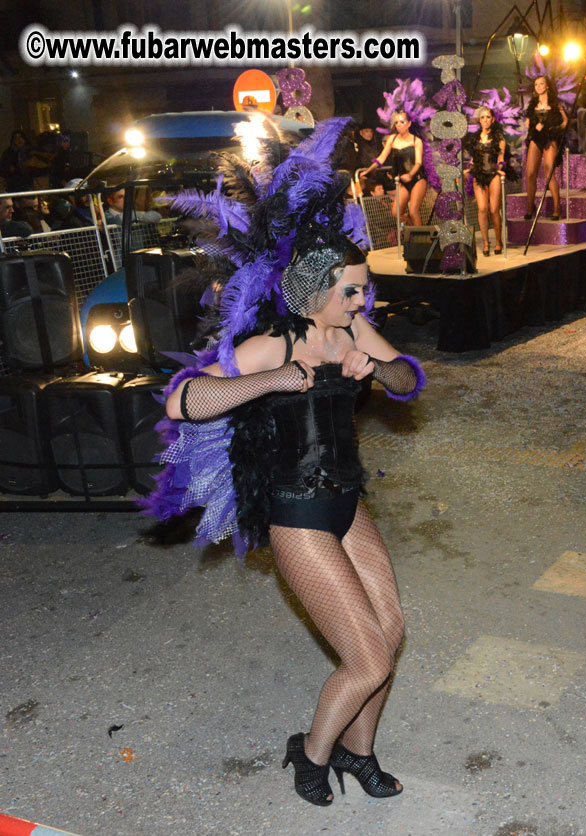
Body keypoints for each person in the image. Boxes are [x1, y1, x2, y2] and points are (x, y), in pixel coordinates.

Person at [141, 118, 424, 808]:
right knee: (368, 658)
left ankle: (359, 753)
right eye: (352, 291)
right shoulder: (275, 342)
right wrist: (273, 379)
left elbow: (410, 382)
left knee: (389, 633)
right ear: (311, 289)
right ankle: (312, 751)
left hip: (347, 501)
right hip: (295, 509)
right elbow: (182, 400)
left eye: (365, 291)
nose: (365, 302)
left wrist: (375, 366)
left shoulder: (353, 326)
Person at [362, 110, 428, 225]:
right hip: (403, 181)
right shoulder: (392, 139)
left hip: (417, 179)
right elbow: (381, 158)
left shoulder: (416, 141)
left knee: (413, 212)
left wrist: (410, 175)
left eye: (402, 122)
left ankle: (421, 241)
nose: (398, 125)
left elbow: (418, 163)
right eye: (396, 122)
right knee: (396, 213)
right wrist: (368, 170)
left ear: (409, 124)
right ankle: (412, 230)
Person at [464, 107, 512, 256]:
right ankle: (486, 242)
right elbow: (473, 159)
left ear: (493, 119)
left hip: (494, 175)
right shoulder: (475, 138)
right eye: (483, 117)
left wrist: (500, 168)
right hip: (479, 175)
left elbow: (501, 158)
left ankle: (498, 241)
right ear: (480, 120)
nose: (485, 120)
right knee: (482, 208)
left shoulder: (499, 138)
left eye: (488, 117)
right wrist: (468, 169)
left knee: (493, 209)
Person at [523, 76, 568, 221]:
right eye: (536, 84)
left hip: (550, 138)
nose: (538, 86)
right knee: (530, 173)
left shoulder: (556, 104)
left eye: (541, 83)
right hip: (536, 138)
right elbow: (527, 122)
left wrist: (552, 129)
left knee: (549, 173)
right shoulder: (532, 104)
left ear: (547, 86)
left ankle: (557, 208)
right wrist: (532, 127)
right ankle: (530, 207)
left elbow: (565, 121)